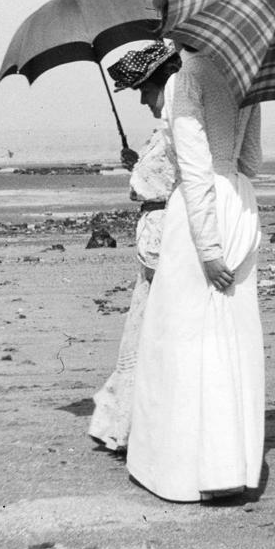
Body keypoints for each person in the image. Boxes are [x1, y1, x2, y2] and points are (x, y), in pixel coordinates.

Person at [125, 35, 266, 501]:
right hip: (238, 203)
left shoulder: (188, 77)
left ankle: (188, 472)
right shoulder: (248, 72)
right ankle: (232, 465)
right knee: (232, 340)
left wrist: (206, 246)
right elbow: (251, 161)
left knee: (182, 338)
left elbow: (194, 165)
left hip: (199, 211)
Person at [88, 43, 180, 452]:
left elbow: (159, 182)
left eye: (144, 90)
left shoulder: (176, 127)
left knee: (152, 331)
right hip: (158, 237)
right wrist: (137, 163)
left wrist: (139, 172)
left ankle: (139, 426)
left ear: (159, 83)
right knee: (145, 329)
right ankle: (131, 424)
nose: (142, 99)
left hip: (165, 238)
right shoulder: (167, 129)